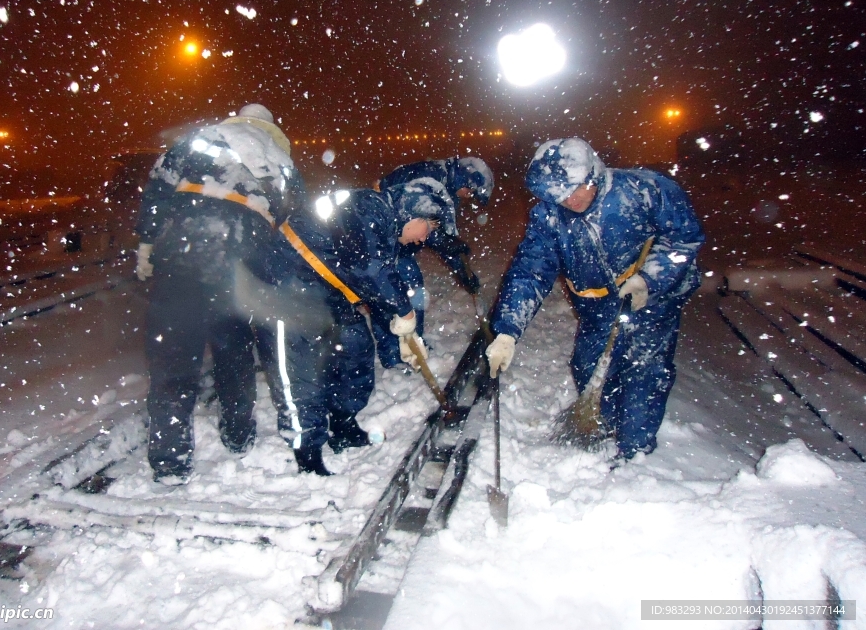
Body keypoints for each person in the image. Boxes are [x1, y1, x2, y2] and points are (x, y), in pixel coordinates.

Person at [485, 138, 704, 461]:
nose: (569, 200)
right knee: (589, 364)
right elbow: (530, 271)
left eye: (575, 189)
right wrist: (507, 331)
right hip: (597, 302)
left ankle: (633, 451)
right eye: (558, 194)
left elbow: (684, 239)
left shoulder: (645, 190)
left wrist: (649, 279)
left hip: (653, 297)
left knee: (642, 370)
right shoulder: (549, 215)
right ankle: (604, 425)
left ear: (593, 174)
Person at [134, 103, 302, 484]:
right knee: (235, 352)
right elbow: (294, 222)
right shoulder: (279, 161)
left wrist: (146, 242)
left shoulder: (197, 141)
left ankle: (169, 461)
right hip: (242, 261)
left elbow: (158, 189)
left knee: (173, 359)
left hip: (182, 254)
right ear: (269, 129)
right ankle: (238, 434)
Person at [266, 182, 457, 475]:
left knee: (355, 348)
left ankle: (344, 424)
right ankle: (307, 448)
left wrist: (403, 332)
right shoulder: (370, 208)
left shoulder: (385, 229)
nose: (424, 239)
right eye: (427, 230)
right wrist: (404, 312)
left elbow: (376, 285)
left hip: (327, 289)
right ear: (413, 215)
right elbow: (370, 271)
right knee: (300, 371)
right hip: (287, 281)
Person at [373, 157, 495, 370]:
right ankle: (396, 354)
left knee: (411, 290)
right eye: (472, 191)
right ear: (466, 181)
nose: (470, 197)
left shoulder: (445, 182)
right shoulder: (432, 178)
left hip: (398, 243)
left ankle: (412, 344)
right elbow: (429, 228)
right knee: (397, 293)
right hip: (384, 240)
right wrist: (450, 247)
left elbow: (445, 234)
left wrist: (462, 268)